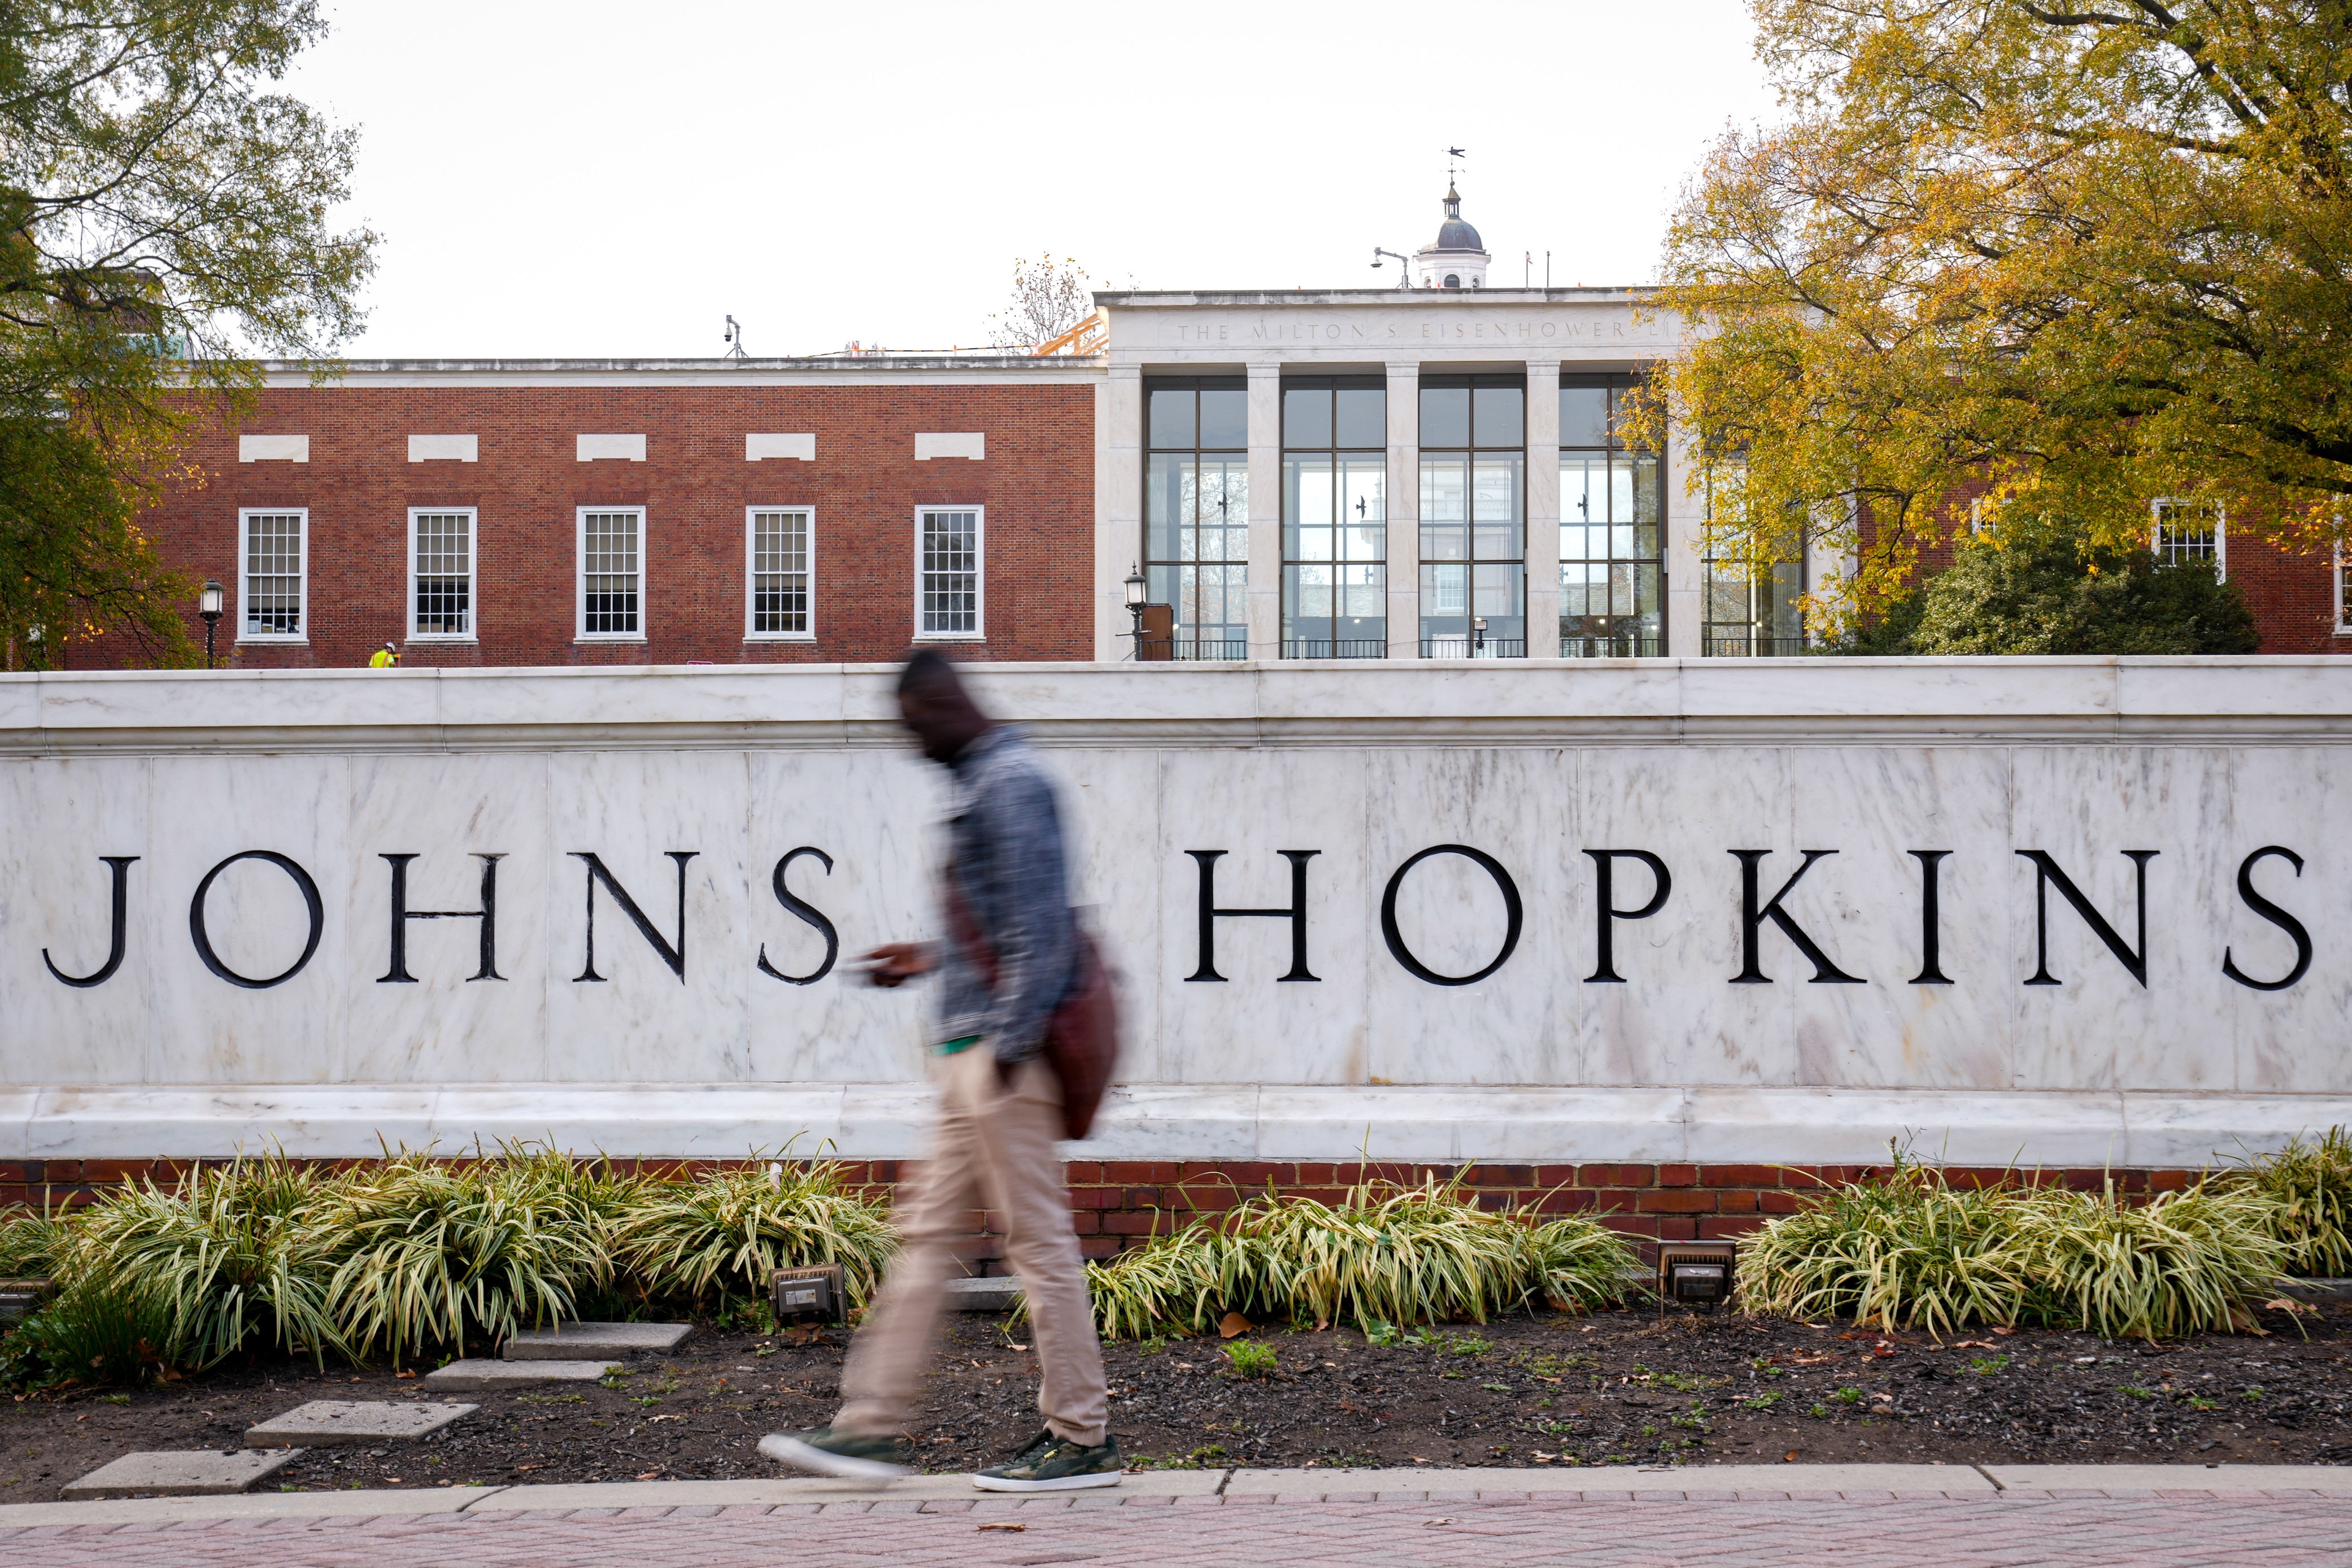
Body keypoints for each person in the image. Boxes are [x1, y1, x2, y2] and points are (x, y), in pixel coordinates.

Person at [761, 651, 1117, 1492]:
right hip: (971, 1056)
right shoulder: (981, 787)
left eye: (915, 724)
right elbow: (1000, 926)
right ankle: (871, 1427)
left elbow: (1041, 932)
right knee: (924, 1241)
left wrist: (1010, 1047)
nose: (911, 742)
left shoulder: (1013, 783)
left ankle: (1082, 1437)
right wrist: (928, 959)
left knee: (1038, 1246)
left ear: (944, 703)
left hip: (1001, 1062)